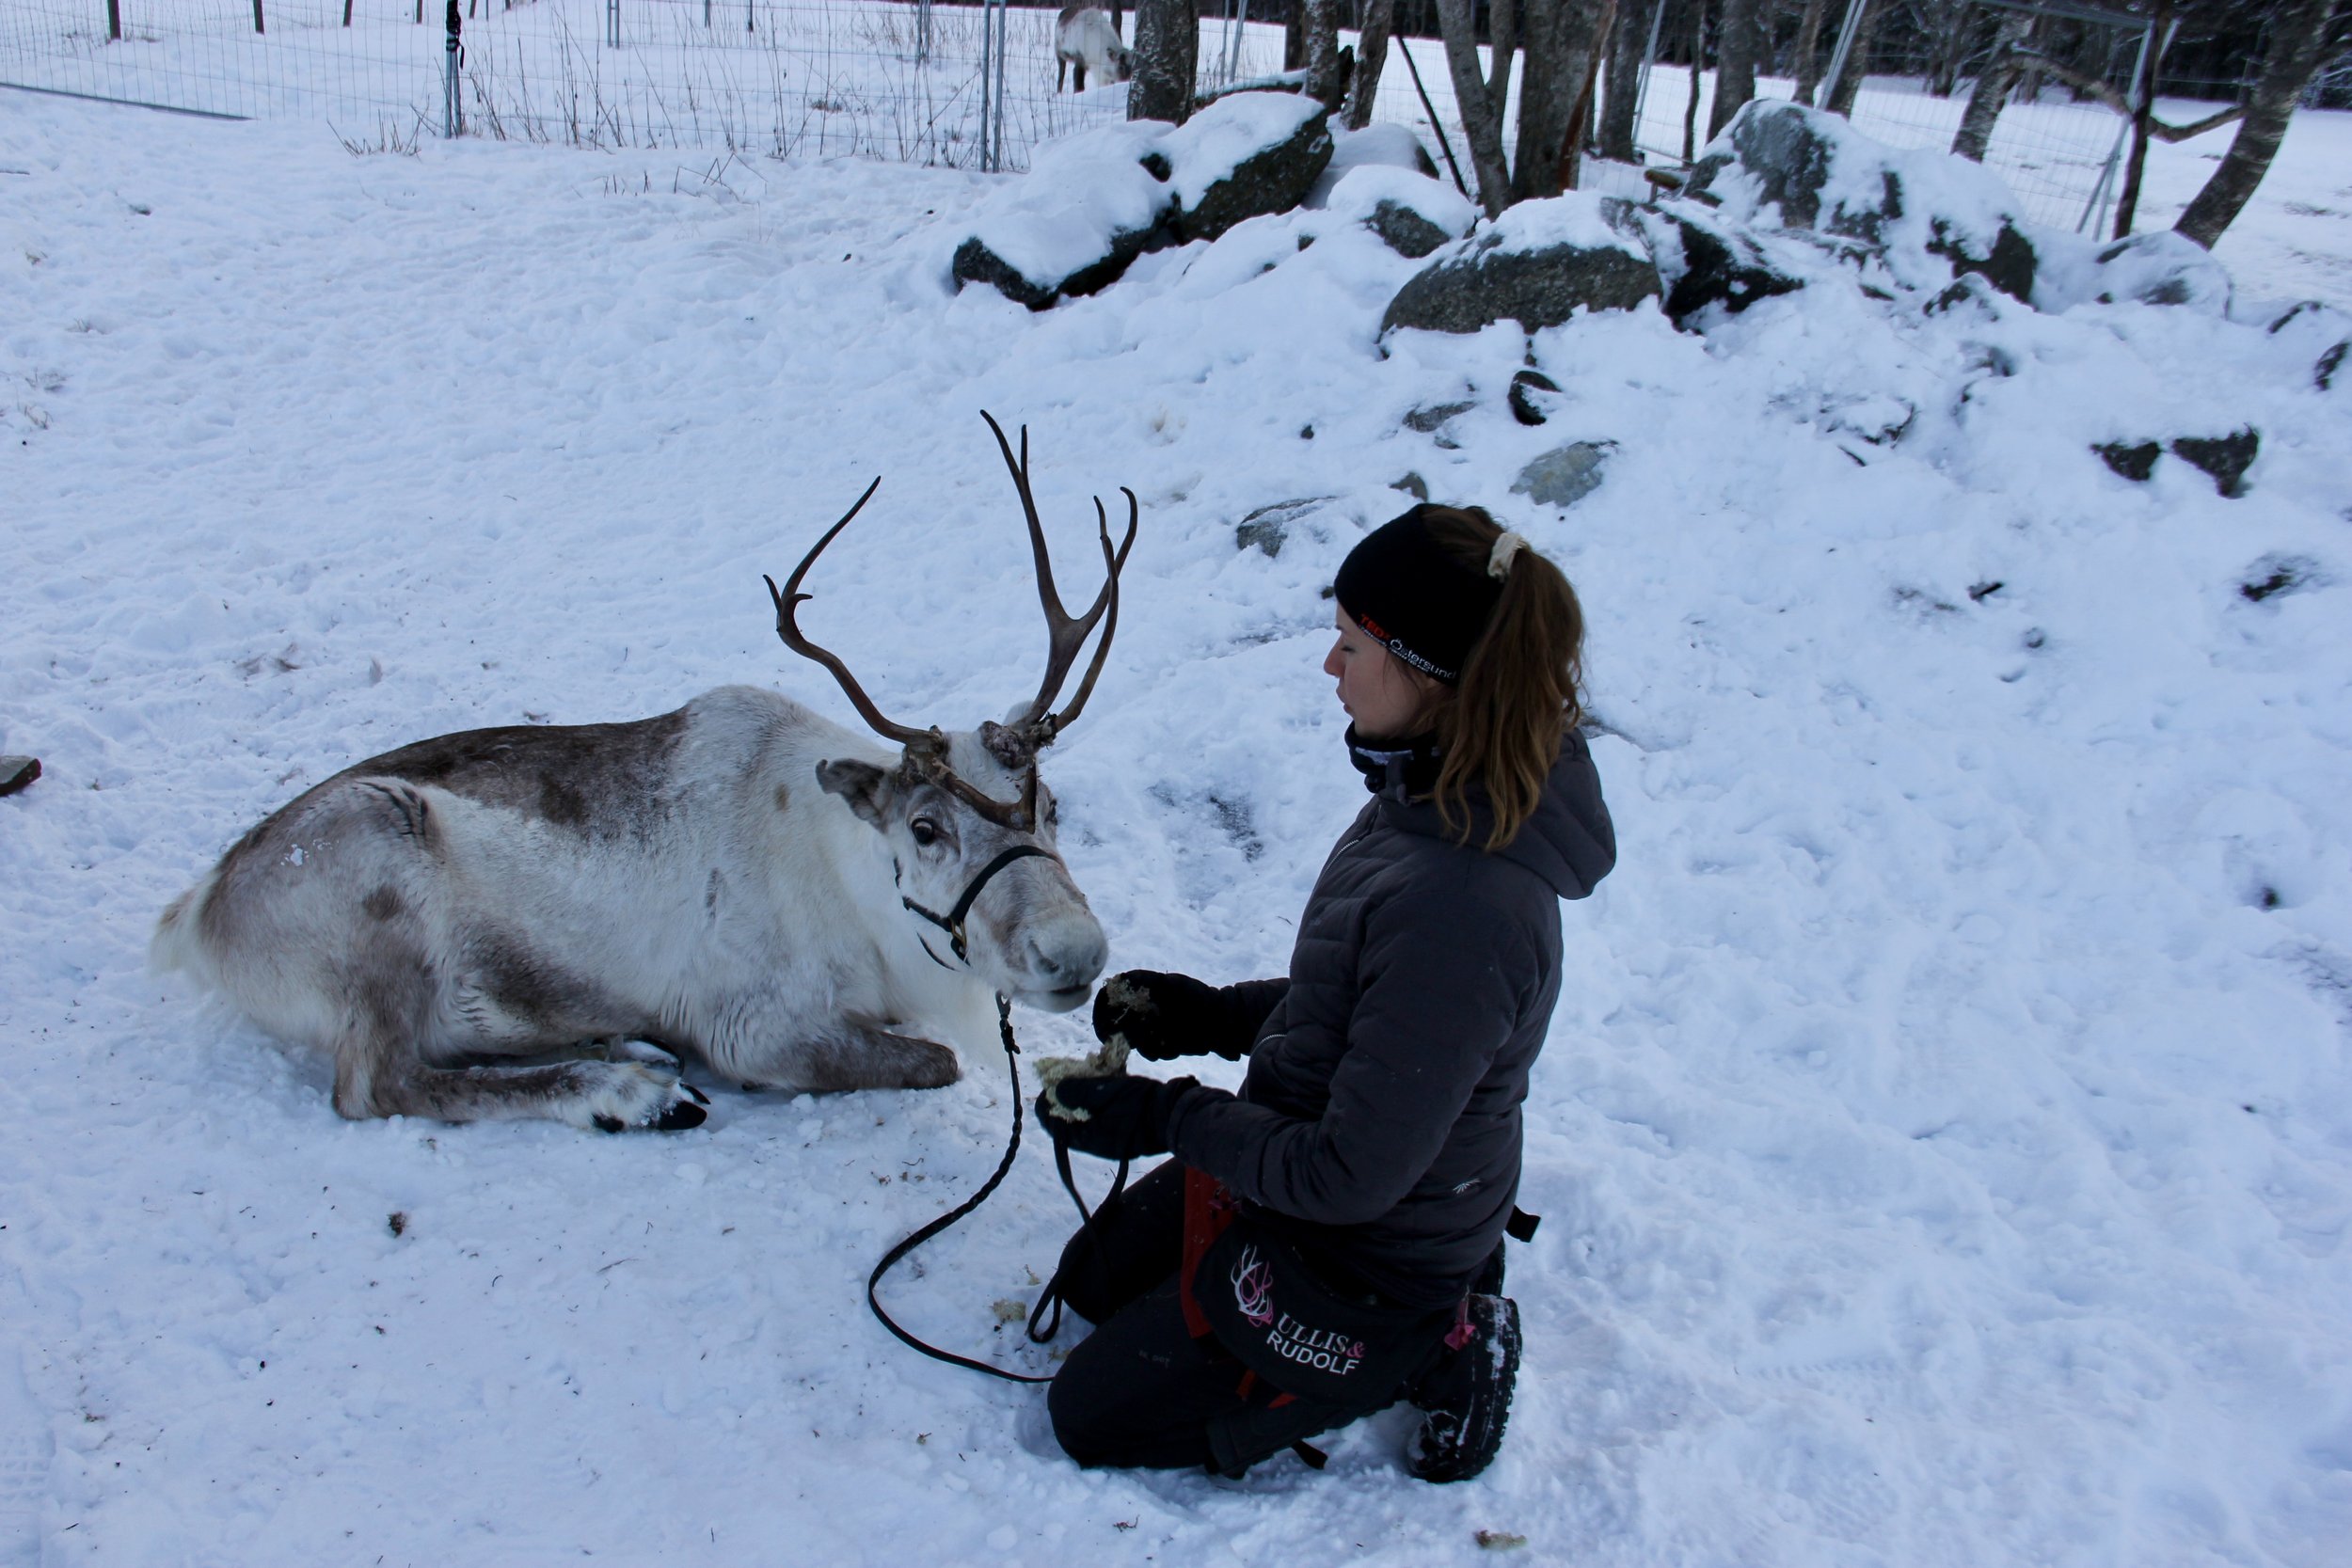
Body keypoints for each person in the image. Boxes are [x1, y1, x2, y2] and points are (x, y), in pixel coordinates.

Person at [1030, 503, 1616, 1481]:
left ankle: (1441, 1339)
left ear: (1431, 674)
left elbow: (1347, 1174)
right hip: (1319, 1166)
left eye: (1350, 643)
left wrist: (1166, 1115)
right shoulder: (1423, 793)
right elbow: (1349, 1004)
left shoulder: (1467, 903)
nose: (1329, 666)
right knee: (1091, 1282)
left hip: (1369, 1253)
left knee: (1091, 1415)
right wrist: (1207, 1013)